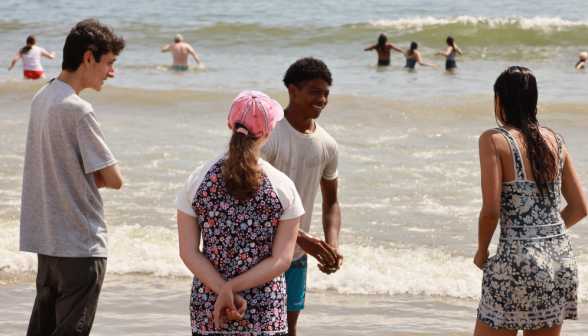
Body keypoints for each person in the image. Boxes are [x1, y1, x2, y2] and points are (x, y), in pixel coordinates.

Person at [19, 19, 125, 336]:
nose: (112, 72)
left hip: (48, 245)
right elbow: (114, 178)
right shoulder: (78, 109)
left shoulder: (41, 97)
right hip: (80, 247)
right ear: (88, 58)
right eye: (109, 63)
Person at [175, 91, 304, 335]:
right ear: (268, 132)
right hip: (266, 310)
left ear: (230, 125)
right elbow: (281, 261)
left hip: (209, 305)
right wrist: (232, 287)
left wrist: (223, 289)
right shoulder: (282, 186)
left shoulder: (197, 179)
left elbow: (188, 251)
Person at [473, 66, 588, 335]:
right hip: (559, 261)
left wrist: (482, 251)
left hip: (516, 264)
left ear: (499, 99)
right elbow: (581, 208)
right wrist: (543, 237)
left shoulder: (494, 139)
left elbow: (491, 212)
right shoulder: (556, 141)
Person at [261, 57, 343, 336]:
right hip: (258, 251)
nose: (322, 99)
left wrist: (331, 244)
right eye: (315, 92)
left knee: (288, 328)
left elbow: (331, 201)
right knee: (253, 325)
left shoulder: (328, 145)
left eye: (326, 94)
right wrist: (304, 236)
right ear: (293, 90)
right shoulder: (269, 134)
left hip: (296, 255)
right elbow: (252, 201)